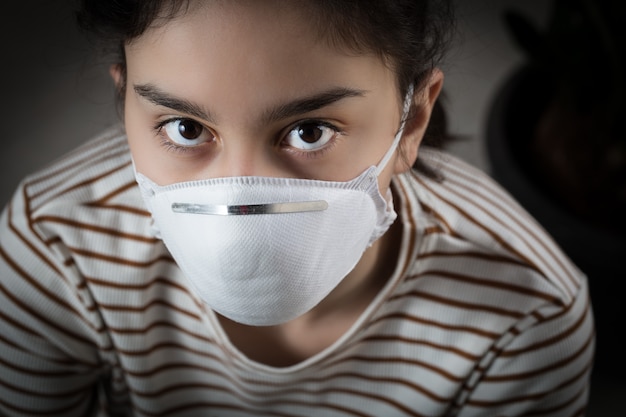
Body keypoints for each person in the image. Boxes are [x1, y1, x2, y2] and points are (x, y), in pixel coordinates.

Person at [0, 1, 594, 416]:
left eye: (310, 131)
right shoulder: (52, 246)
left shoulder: (526, 312)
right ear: (124, 99)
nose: (241, 201)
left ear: (412, 119)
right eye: (185, 128)